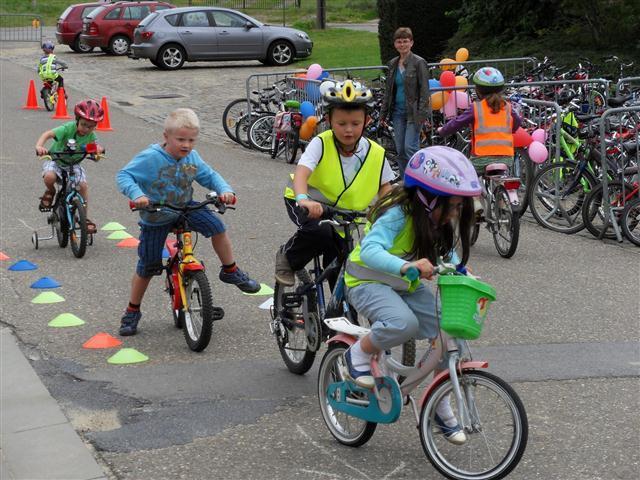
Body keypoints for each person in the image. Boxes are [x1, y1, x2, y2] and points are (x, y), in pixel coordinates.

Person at [343, 146, 481, 445]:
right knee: (402, 322)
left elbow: (448, 254)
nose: (456, 213)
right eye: (453, 206)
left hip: (404, 284)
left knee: (449, 333)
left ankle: (438, 402)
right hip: (366, 281)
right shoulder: (397, 214)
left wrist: (462, 271)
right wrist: (406, 265)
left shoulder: (433, 221)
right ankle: (359, 352)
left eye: (460, 207)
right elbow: (370, 250)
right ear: (427, 199)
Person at [116, 108, 260, 336]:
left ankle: (230, 270)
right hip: (156, 214)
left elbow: (209, 175)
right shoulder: (151, 157)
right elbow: (124, 175)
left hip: (184, 206)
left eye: (192, 140)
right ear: (166, 137)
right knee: (148, 266)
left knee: (217, 227)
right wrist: (137, 195)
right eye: (181, 139)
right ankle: (132, 310)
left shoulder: (191, 157)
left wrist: (224, 190)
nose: (186, 145)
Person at [275, 80, 396, 287]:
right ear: (330, 120)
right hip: (308, 202)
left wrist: (390, 213)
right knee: (320, 232)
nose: (349, 130)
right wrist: (303, 199)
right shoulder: (321, 142)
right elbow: (302, 172)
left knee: (343, 264)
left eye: (355, 124)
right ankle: (287, 257)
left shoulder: (375, 152)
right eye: (341, 124)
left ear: (366, 121)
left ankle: (337, 311)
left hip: (344, 215)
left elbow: (386, 188)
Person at [35, 99, 105, 234]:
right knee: (49, 177)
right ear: (77, 119)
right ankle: (51, 191)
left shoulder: (91, 136)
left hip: (74, 164)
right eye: (84, 124)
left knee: (83, 186)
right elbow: (48, 134)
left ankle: (84, 218)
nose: (87, 129)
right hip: (56, 160)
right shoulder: (67, 128)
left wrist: (97, 151)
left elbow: (94, 148)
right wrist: (39, 146)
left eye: (91, 126)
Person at [438, 66, 521, 176]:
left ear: (478, 90)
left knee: (467, 179)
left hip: (481, 158)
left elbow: (457, 123)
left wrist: (443, 130)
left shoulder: (476, 108)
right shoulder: (508, 107)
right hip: (506, 157)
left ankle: (474, 193)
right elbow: (517, 123)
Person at [380, 27, 429, 172]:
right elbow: (388, 92)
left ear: (411, 43)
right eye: (399, 42)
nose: (402, 45)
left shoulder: (419, 63)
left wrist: (421, 115)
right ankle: (405, 181)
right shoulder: (393, 64)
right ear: (395, 44)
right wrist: (383, 114)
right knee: (400, 150)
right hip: (397, 112)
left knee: (410, 148)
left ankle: (419, 179)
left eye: (405, 41)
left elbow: (425, 91)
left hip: (413, 113)